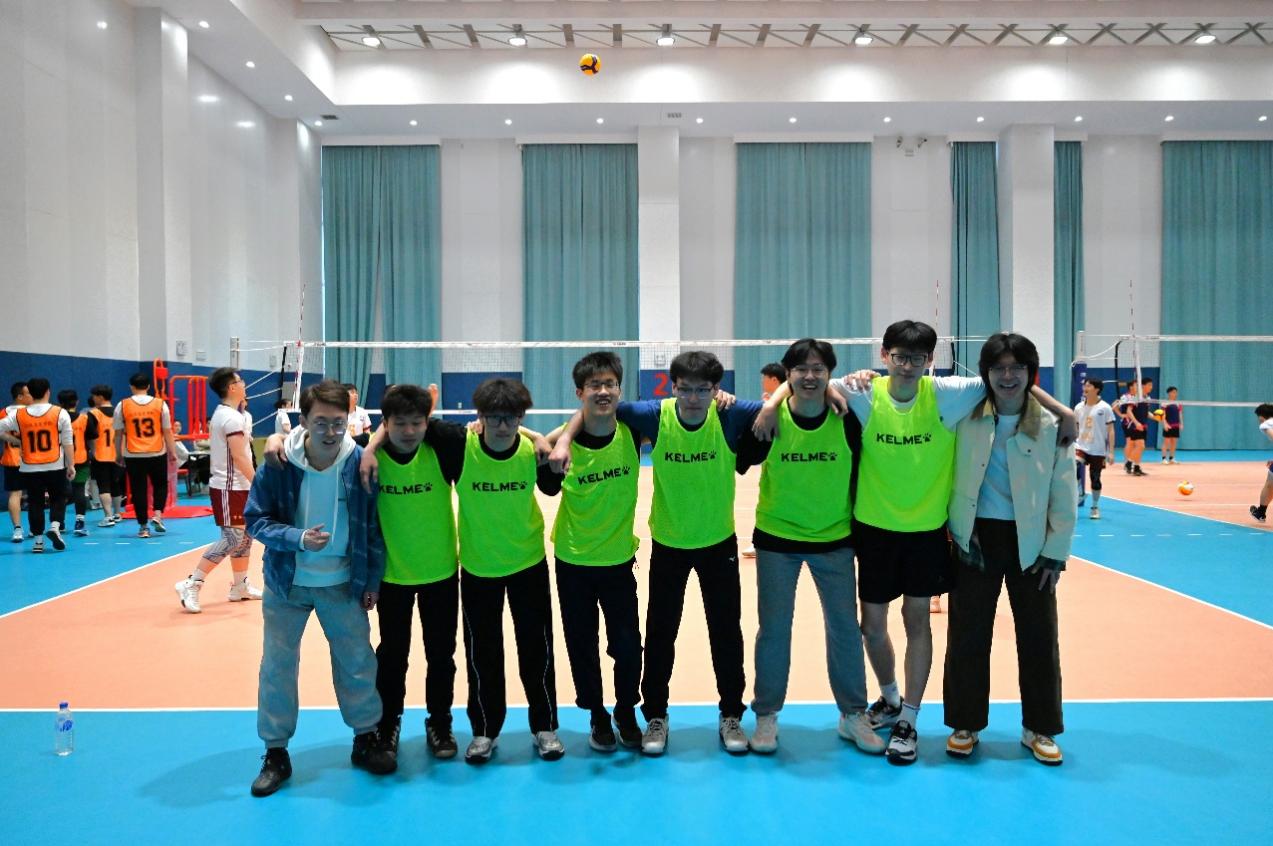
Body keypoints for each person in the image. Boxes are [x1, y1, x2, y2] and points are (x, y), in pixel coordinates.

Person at [755, 319, 1075, 766]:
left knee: (925, 622)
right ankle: (899, 700)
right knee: (880, 627)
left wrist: (1065, 412)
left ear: (930, 360)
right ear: (884, 356)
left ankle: (913, 717)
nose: (908, 366)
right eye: (900, 357)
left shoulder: (949, 395)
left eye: (918, 358)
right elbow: (809, 383)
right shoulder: (864, 392)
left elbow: (1007, 388)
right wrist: (774, 401)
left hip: (934, 533)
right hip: (885, 531)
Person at [552, 351, 762, 757]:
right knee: (660, 635)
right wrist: (562, 439)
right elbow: (597, 409)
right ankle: (655, 716)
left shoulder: (730, 414)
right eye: (686, 389)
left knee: (726, 632)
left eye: (704, 390)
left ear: (716, 389)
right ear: (673, 387)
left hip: (718, 542)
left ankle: (731, 714)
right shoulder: (652, 415)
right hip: (668, 544)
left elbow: (782, 405)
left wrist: (766, 403)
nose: (694, 398)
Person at [733, 339, 884, 756]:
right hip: (777, 540)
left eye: (819, 369)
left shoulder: (848, 418)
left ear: (830, 374)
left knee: (845, 629)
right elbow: (743, 459)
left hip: (834, 539)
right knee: (774, 630)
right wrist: (769, 406)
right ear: (789, 375)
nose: (810, 376)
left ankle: (853, 714)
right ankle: (766, 715)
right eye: (801, 369)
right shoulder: (770, 418)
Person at [244, 380, 393, 797]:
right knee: (277, 667)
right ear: (304, 421)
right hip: (287, 584)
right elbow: (255, 520)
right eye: (321, 422)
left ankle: (366, 737)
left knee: (357, 662)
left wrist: (372, 580)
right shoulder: (278, 463)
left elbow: (373, 527)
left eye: (339, 422)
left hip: (343, 584)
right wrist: (296, 538)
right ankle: (276, 752)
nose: (331, 431)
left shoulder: (361, 463)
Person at [943, 333, 1076, 766]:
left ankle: (1040, 726)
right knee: (967, 636)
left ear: (1030, 373)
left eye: (1016, 367)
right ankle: (965, 723)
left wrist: (1055, 551)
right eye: (998, 368)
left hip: (1032, 544)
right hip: (974, 539)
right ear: (985, 373)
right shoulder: (964, 416)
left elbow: (1064, 493)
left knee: (1039, 637)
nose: (1007, 376)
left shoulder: (1052, 426)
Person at [540, 352, 645, 753]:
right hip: (574, 562)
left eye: (610, 384)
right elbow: (547, 484)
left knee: (628, 646)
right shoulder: (558, 447)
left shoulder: (632, 431)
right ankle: (597, 714)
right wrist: (562, 439)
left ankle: (625, 710)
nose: (603, 391)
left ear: (619, 389)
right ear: (579, 392)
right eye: (594, 385)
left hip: (618, 561)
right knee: (582, 645)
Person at [368, 383, 462, 764]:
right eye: (399, 423)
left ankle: (439, 722)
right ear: (385, 423)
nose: (409, 431)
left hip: (441, 573)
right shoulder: (371, 457)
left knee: (442, 655)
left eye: (417, 423)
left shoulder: (442, 450)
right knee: (392, 657)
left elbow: (488, 430)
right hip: (393, 578)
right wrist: (279, 438)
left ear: (427, 422)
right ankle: (387, 725)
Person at [174, 368, 262, 613]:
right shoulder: (230, 418)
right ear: (232, 387)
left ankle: (240, 586)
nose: (244, 384)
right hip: (228, 487)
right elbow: (239, 457)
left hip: (240, 486)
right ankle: (192, 583)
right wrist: (259, 483)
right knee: (232, 538)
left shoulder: (234, 415)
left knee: (246, 536)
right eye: (240, 381)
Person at [0, 378, 74, 553]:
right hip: (55, 464)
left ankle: (38, 541)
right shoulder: (59, 412)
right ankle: (55, 526)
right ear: (48, 391)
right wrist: (71, 464)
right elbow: (67, 441)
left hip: (30, 466)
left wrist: (16, 441)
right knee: (58, 497)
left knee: (35, 502)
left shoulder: (19, 415)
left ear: (30, 394)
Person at [114, 372, 177, 538]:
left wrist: (118, 453)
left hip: (133, 453)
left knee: (138, 490)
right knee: (160, 485)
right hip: (157, 451)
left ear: (131, 387)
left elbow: (118, 434)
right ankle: (157, 515)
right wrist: (173, 452)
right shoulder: (160, 404)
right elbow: (167, 431)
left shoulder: (122, 405)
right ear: (148, 386)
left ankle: (143, 527)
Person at [743, 362, 791, 559]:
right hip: (772, 463)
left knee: (774, 502)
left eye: (765, 378)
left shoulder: (787, 402)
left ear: (774, 379)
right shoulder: (771, 401)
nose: (762, 381)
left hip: (785, 465)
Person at [1074, 378, 1116, 520]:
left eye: (1089, 385)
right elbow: (1076, 426)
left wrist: (1111, 452)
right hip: (1081, 446)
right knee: (1073, 466)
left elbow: (1111, 431)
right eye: (1084, 385)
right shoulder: (1078, 407)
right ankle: (1080, 492)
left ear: (1097, 389)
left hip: (1098, 449)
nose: (1085, 388)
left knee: (1095, 478)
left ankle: (1095, 507)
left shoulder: (1105, 408)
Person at [86, 384, 122, 526]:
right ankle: (117, 513)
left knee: (104, 486)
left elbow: (91, 436)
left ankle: (108, 516)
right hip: (117, 455)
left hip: (101, 455)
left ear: (100, 397)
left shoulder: (94, 413)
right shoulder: (119, 412)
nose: (93, 398)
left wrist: (93, 451)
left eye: (94, 396)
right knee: (116, 485)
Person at [56, 390, 91, 536]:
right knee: (79, 490)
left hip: (59, 460)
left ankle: (59, 523)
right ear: (77, 401)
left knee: (59, 492)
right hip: (80, 459)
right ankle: (79, 523)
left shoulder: (56, 418)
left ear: (60, 403)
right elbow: (92, 438)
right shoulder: (84, 418)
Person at [3, 381, 33, 541]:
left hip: (13, 459)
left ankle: (17, 529)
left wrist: (14, 440)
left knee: (15, 494)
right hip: (32, 459)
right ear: (20, 396)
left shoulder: (4, 412)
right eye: (29, 393)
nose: (32, 396)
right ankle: (35, 528)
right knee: (35, 494)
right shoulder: (33, 412)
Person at [1114, 377, 1153, 476]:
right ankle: (1128, 463)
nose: (1151, 387)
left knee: (1138, 446)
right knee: (1134, 444)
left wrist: (1157, 418)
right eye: (1136, 385)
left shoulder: (1147, 398)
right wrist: (1122, 415)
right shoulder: (1130, 397)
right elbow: (1116, 406)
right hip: (1130, 423)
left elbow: (1146, 412)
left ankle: (1135, 466)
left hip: (1142, 423)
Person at [1251, 403, 1273, 524]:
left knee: (1269, 484)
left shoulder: (1266, 424)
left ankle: (1260, 512)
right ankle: (1260, 512)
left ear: (1261, 417)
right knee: (1270, 482)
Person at [1161, 386, 1182, 464]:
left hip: (1176, 425)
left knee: (1174, 442)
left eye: (1176, 392)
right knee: (1166, 442)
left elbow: (1180, 414)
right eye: (1174, 392)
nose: (1175, 394)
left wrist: (1181, 423)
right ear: (1169, 393)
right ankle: (1163, 459)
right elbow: (1163, 414)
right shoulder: (1164, 403)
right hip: (1168, 425)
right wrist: (1165, 424)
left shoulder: (1178, 403)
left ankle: (1171, 458)